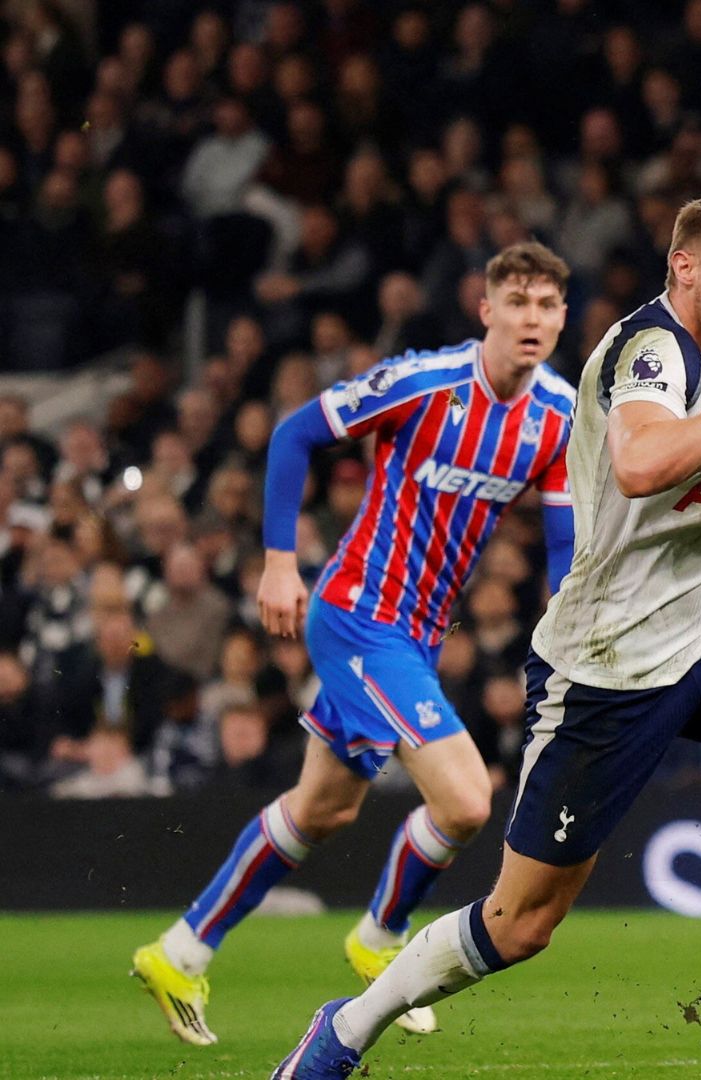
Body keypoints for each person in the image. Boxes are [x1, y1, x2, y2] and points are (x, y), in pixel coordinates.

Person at [274, 192, 701, 1078]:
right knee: (521, 925)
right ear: (684, 268)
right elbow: (637, 464)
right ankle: (347, 1028)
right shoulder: (645, 347)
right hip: (608, 666)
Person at [132, 242, 578, 1046]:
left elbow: (561, 539)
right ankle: (379, 939)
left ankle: (180, 951)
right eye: (517, 302)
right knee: (467, 800)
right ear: (486, 310)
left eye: (547, 305)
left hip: (418, 635)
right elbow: (295, 433)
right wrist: (278, 562)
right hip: (357, 616)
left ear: (562, 318)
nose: (532, 319)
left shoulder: (559, 415)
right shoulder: (424, 382)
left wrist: (569, 621)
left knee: (323, 809)